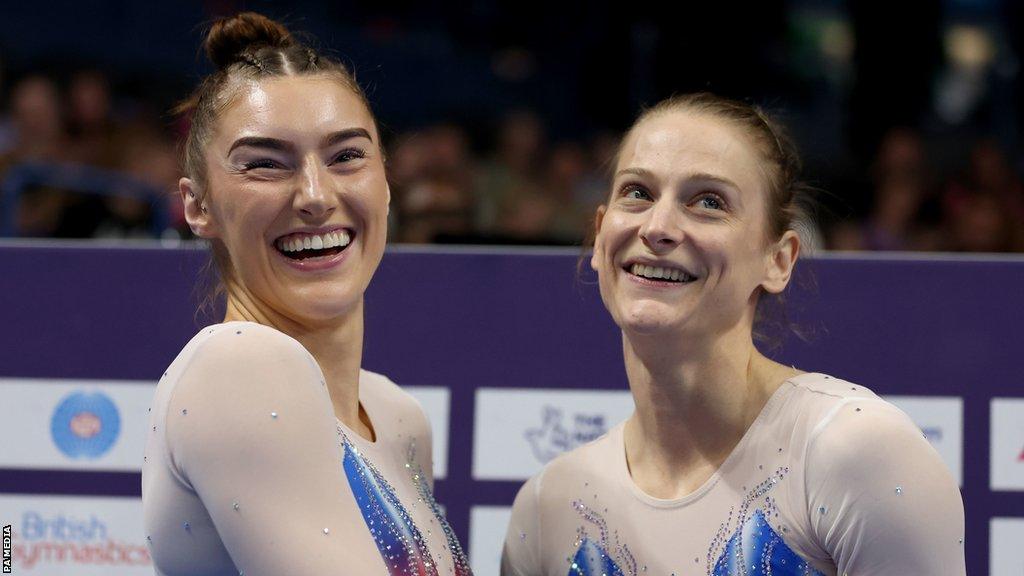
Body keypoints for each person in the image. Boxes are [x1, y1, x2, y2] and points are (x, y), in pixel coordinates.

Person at [500, 93, 965, 576]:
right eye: (637, 192)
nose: (658, 227)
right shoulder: (546, 507)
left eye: (708, 202)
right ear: (599, 237)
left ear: (778, 259)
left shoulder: (855, 453)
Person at [141, 13, 471, 576]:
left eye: (346, 156)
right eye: (266, 164)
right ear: (197, 206)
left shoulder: (398, 418)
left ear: (385, 184)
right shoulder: (240, 364)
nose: (316, 196)